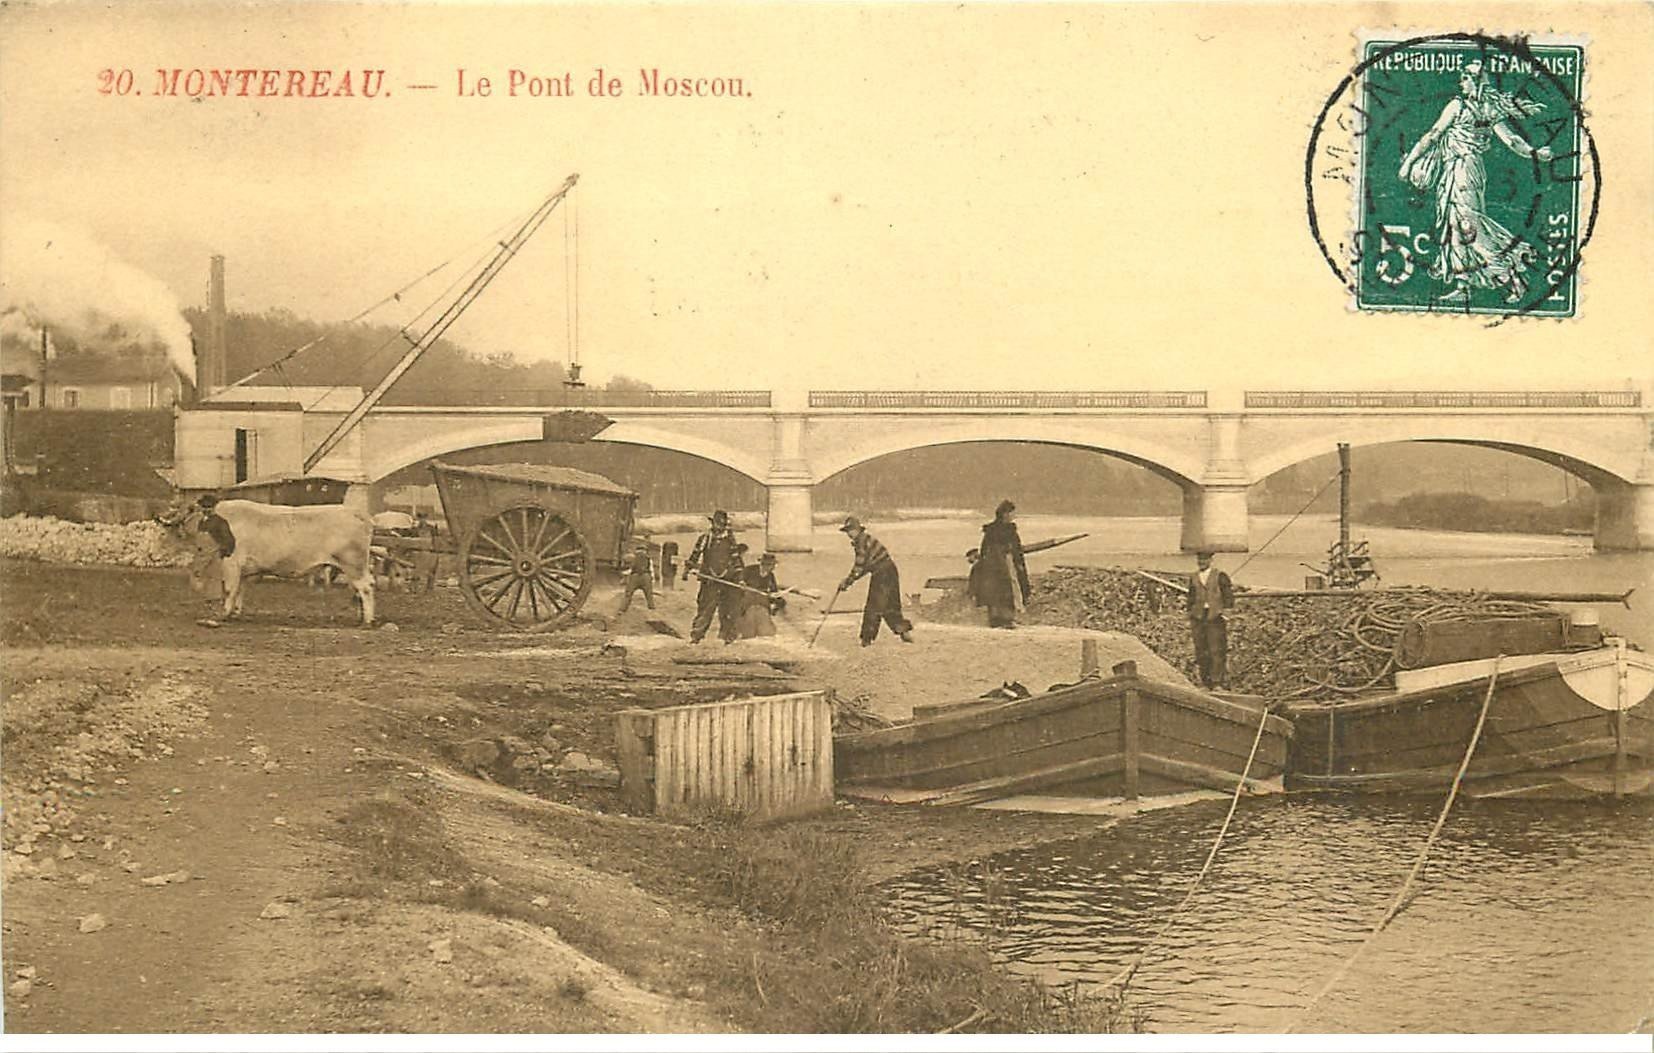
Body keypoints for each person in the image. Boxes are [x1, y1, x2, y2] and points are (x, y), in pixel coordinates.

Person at [1397, 58, 1553, 305]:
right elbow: (1512, 140)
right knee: (1454, 229)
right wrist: (1535, 153)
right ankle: (1464, 285)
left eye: (1466, 79)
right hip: (1462, 171)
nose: (1461, 83)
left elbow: (1433, 135)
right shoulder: (1489, 109)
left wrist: (1408, 163)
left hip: (1462, 171)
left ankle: (1511, 277)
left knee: (1471, 228)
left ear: (1477, 82)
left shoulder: (1458, 106)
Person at [838, 516, 913, 647]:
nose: (849, 534)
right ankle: (904, 632)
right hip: (890, 570)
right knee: (890, 604)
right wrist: (849, 581)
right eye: (847, 531)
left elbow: (860, 566)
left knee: (874, 606)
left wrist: (847, 582)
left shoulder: (861, 542)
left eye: (851, 530)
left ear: (858, 530)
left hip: (882, 573)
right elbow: (865, 567)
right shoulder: (865, 539)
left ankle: (866, 639)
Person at [684, 510, 743, 643]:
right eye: (717, 524)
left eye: (722, 525)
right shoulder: (705, 538)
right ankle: (696, 637)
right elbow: (695, 554)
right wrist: (688, 569)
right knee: (705, 609)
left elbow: (736, 559)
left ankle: (728, 638)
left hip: (727, 580)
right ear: (713, 524)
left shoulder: (730, 539)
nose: (719, 527)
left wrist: (740, 578)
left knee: (728, 610)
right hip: (709, 580)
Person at [975, 499, 1031, 628]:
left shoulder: (1006, 530)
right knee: (998, 590)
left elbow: (1017, 548)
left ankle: (1006, 618)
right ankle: (998, 619)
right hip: (996, 564)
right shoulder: (994, 530)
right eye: (1012, 513)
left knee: (1008, 589)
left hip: (1005, 562)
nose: (1013, 516)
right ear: (1005, 513)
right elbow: (985, 548)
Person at [1186, 548, 1234, 690]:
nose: (1201, 562)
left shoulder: (1220, 576)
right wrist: (1190, 613)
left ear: (1210, 561)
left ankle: (1217, 682)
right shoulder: (1194, 577)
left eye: (1204, 560)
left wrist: (1226, 613)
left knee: (1216, 649)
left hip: (1215, 616)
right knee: (1201, 649)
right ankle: (1205, 682)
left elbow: (1228, 596)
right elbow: (1191, 597)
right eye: (1199, 560)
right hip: (1199, 616)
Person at [734, 553, 784, 638]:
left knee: (766, 630)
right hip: (748, 597)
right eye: (771, 565)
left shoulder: (770, 575)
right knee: (748, 627)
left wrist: (774, 595)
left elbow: (773, 590)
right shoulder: (750, 570)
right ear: (765, 565)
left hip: (762, 599)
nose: (773, 568)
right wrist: (742, 583)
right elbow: (740, 579)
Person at [615, 538, 656, 614]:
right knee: (649, 595)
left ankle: (622, 610)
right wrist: (652, 580)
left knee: (628, 595)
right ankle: (652, 609)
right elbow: (651, 569)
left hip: (635, 576)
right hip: (646, 576)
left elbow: (630, 569)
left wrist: (623, 575)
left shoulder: (633, 557)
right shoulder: (648, 558)